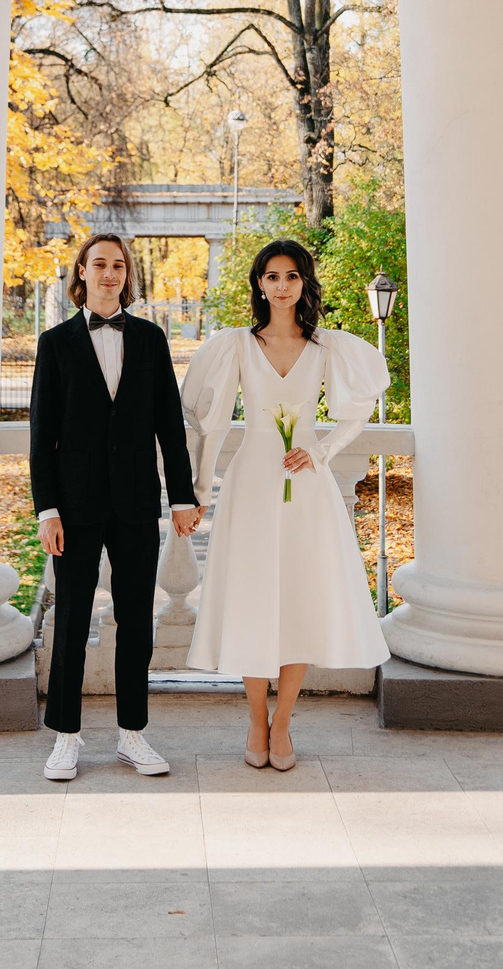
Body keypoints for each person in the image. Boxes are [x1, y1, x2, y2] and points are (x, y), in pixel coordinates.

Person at [182, 239, 391, 770]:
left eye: (292, 276)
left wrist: (320, 450)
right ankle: (255, 721)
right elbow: (208, 424)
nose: (282, 285)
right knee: (254, 601)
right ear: (259, 283)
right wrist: (199, 491)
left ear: (304, 283)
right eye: (272, 276)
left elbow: (359, 409)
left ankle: (283, 727)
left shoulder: (326, 348)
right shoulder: (235, 346)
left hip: (307, 489)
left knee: (299, 600)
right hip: (253, 481)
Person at [28, 231, 203, 782]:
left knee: (136, 622)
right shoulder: (54, 344)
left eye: (119, 266)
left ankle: (132, 734)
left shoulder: (151, 340)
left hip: (134, 502)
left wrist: (181, 496)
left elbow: (170, 428)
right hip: (74, 508)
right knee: (73, 622)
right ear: (81, 273)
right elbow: (41, 436)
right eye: (99, 264)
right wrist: (46, 510)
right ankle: (66, 736)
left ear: (127, 275)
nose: (109, 274)